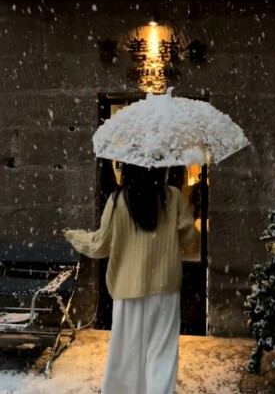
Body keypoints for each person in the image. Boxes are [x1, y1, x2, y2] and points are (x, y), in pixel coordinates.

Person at [64, 163, 198, 394]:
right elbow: (188, 237)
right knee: (162, 355)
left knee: (126, 355)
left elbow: (99, 245)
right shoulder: (173, 196)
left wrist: (73, 236)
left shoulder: (118, 200)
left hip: (127, 289)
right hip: (165, 288)